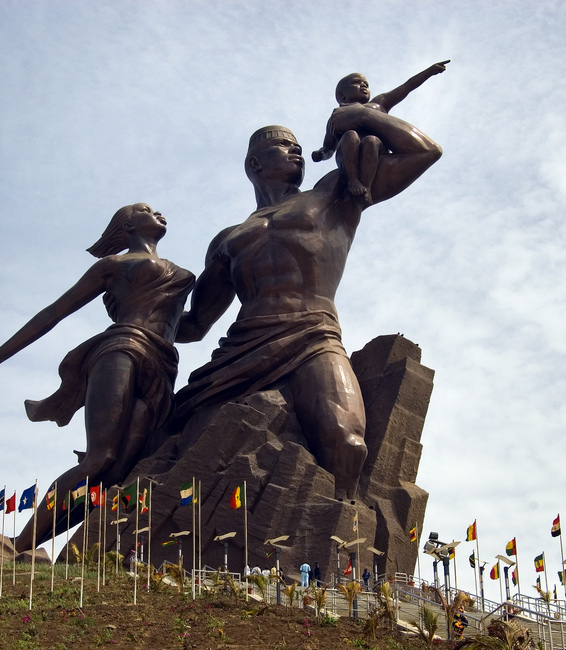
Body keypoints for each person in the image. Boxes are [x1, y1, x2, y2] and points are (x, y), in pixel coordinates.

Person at [175, 86, 445, 500]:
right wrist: (137, 316)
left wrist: (363, 116)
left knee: (348, 443)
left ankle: (341, 542)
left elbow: (424, 152)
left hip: (313, 335)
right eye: (285, 147)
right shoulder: (227, 240)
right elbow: (193, 325)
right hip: (241, 350)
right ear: (254, 163)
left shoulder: (333, 194)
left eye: (300, 147)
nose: (296, 152)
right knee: (188, 446)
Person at [0, 204, 195, 550]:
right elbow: (55, 311)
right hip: (121, 348)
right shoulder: (113, 266)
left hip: (162, 364)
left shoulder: (181, 273)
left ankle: (33, 543)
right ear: (128, 224)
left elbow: (193, 326)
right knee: (100, 458)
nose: (158, 212)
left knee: (116, 474)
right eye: (146, 209)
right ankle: (21, 544)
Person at [311, 62, 449, 206]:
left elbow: (406, 87)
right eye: (356, 83)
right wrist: (321, 154)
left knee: (372, 140)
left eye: (366, 84)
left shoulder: (378, 103)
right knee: (350, 135)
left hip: (374, 152)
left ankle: (367, 187)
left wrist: (429, 71)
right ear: (341, 94)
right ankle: (353, 181)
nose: (363, 86)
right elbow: (329, 147)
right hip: (349, 154)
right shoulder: (336, 116)